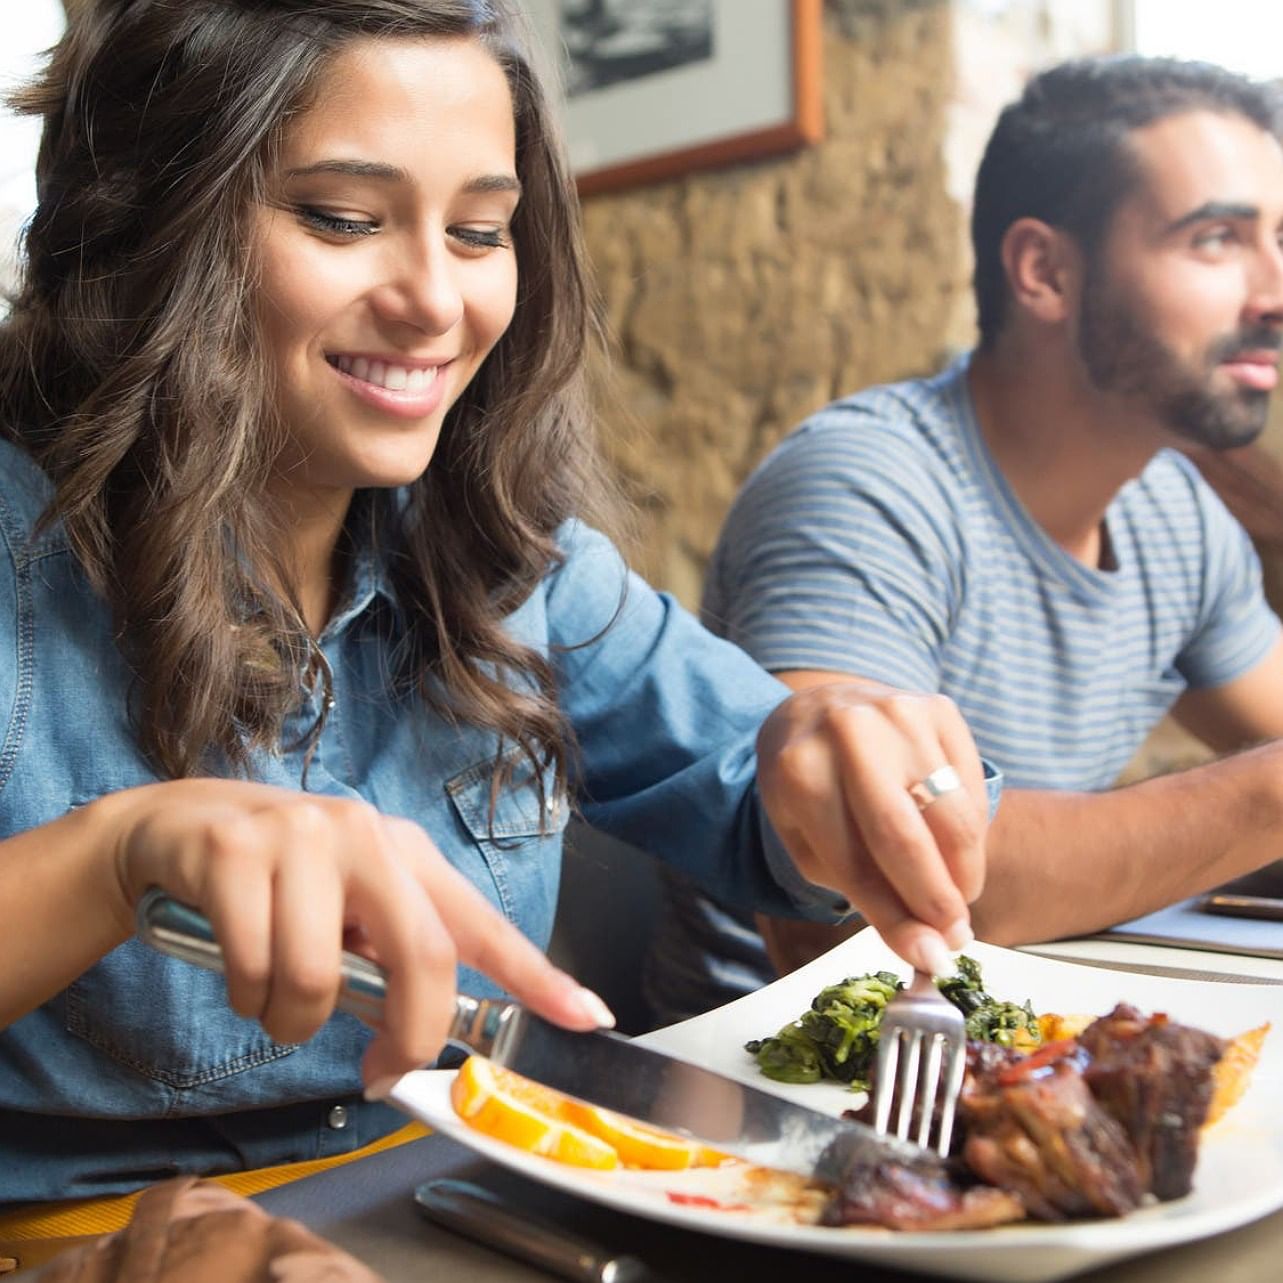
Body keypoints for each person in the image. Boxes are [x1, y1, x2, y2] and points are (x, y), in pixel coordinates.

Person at [0, 0, 995, 1204]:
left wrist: (834, 756)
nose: (434, 299)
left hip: (472, 1204)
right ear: (151, 220)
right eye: (342, 219)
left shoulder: (511, 560)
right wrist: (115, 858)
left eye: (479, 231)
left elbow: (764, 801)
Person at [647, 54, 1283, 1027]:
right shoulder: (866, 485)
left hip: (1016, 1025)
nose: (1273, 289)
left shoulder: (1173, 510)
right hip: (774, 1072)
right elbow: (873, 892)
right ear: (1043, 271)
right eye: (1214, 241)